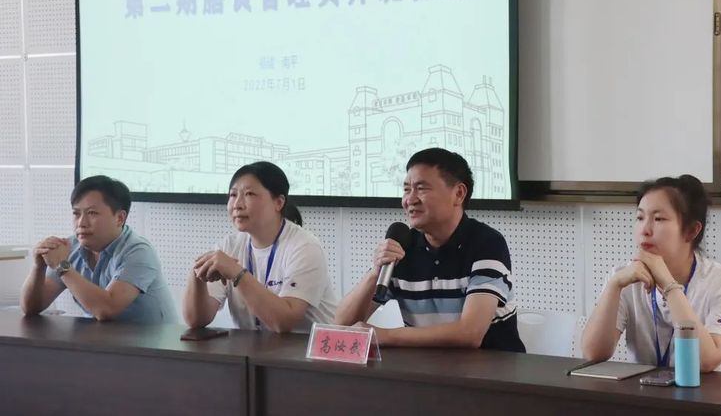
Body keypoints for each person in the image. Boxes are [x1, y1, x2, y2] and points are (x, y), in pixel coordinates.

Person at [335, 148, 525, 352]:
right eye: (406, 190)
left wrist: (385, 335)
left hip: (491, 368)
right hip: (425, 368)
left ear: (458, 194)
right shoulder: (403, 246)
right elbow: (343, 325)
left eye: (421, 189)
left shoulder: (486, 243)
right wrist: (375, 272)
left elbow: (470, 333)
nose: (410, 200)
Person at [581, 175, 721, 373]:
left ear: (691, 230)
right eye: (640, 218)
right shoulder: (624, 277)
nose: (644, 230)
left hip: (717, 391)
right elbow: (593, 353)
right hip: (651, 391)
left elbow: (705, 361)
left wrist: (668, 285)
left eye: (659, 219)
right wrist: (614, 285)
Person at [183, 161, 337, 332]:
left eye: (249, 194)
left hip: (310, 347)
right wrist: (198, 276)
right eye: (233, 195)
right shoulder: (229, 246)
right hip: (256, 347)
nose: (237, 204)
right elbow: (196, 320)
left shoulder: (304, 247)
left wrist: (237, 273)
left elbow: (284, 322)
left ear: (278, 203)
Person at [20, 175, 177, 323]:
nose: (81, 223)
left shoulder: (139, 251)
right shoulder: (69, 248)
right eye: (76, 214)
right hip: (100, 338)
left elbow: (106, 309)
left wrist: (62, 266)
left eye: (92, 213)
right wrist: (39, 267)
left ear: (120, 218)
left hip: (150, 340)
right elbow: (30, 308)